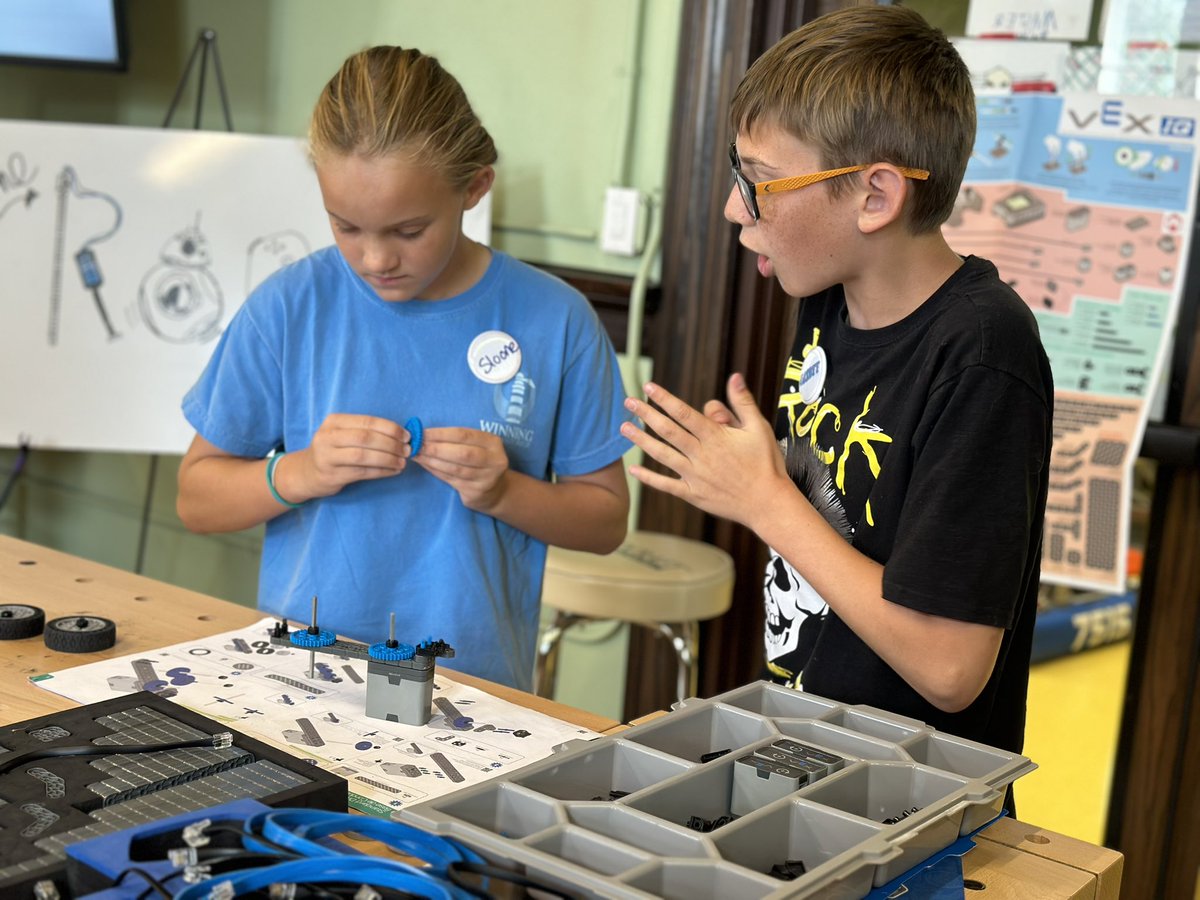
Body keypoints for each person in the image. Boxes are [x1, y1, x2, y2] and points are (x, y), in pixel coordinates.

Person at [622, 6, 1053, 769]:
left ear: (875, 197)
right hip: (805, 755)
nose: (734, 208)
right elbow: (843, 518)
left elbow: (950, 669)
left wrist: (764, 501)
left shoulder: (985, 354)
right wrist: (753, 469)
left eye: (759, 182)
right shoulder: (827, 301)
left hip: (910, 802)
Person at [177, 46, 631, 691]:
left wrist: (505, 492)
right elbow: (197, 499)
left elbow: (606, 521)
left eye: (409, 230)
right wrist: (303, 470)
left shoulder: (555, 320)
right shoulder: (288, 307)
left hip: (475, 691)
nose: (374, 258)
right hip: (301, 677)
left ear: (475, 187)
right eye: (345, 226)